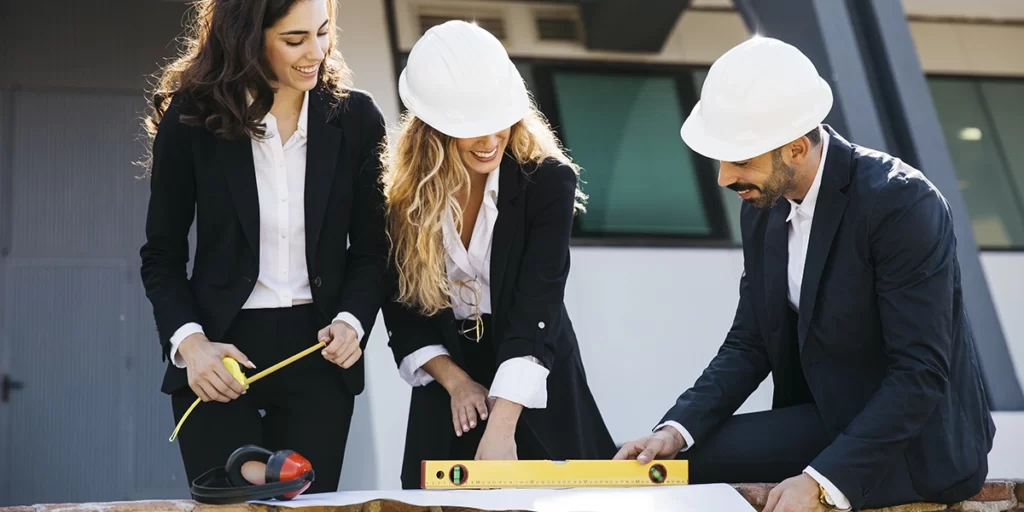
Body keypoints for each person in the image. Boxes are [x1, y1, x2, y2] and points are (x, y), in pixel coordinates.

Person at [614, 36, 995, 511]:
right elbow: (750, 341)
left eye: (740, 160)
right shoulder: (760, 208)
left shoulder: (902, 203)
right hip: (826, 420)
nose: (723, 178)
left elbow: (919, 372)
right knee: (672, 467)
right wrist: (675, 429)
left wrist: (821, 481)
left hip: (918, 444)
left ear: (795, 148)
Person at [138, 0, 390, 494]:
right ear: (248, 40)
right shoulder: (192, 118)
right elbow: (162, 254)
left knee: (307, 505)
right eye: (295, 40)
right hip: (218, 353)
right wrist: (191, 346)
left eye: (322, 32)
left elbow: (372, 248)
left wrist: (352, 321)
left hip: (317, 353)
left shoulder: (357, 118)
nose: (315, 52)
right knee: (232, 505)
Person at [378, 20, 617, 489]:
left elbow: (537, 306)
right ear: (433, 128)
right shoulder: (402, 202)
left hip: (534, 364)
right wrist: (456, 382)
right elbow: (403, 311)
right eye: (470, 129)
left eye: (498, 121)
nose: (490, 140)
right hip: (449, 374)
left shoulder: (548, 182)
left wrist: (502, 426)